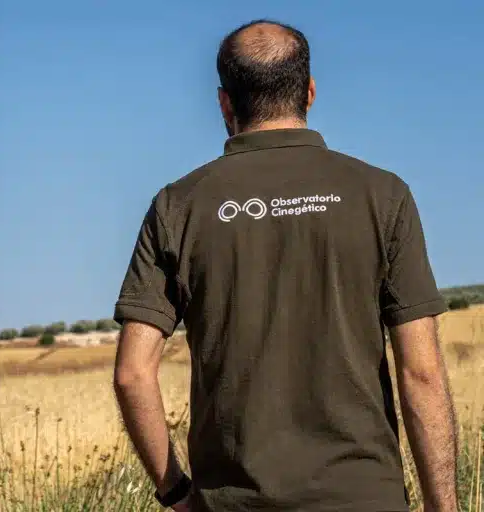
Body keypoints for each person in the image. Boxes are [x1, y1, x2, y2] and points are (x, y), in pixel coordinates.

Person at [112, 19, 458, 512]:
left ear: (224, 103)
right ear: (310, 92)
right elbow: (421, 374)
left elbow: (132, 374)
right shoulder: (382, 196)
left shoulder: (178, 206)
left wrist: (175, 492)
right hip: (364, 498)